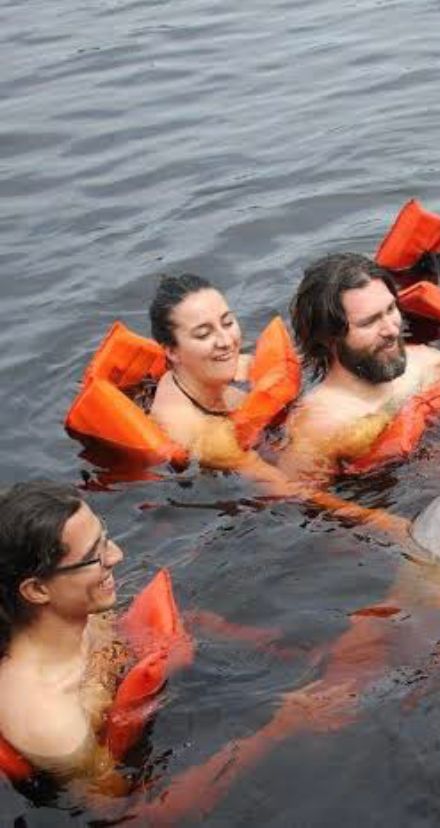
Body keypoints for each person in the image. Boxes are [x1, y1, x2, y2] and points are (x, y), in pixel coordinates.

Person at [282, 252, 440, 479]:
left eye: (390, 309)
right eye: (369, 322)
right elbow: (294, 492)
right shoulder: (320, 424)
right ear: (328, 337)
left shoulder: (426, 361)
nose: (392, 330)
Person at [0, 483, 127, 786]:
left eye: (105, 539)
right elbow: (118, 805)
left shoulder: (86, 615)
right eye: (94, 555)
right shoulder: (54, 725)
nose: (116, 556)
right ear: (37, 590)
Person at [148, 274, 256, 466]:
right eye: (203, 334)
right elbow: (282, 482)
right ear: (172, 351)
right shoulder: (194, 428)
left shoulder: (230, 365)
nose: (226, 342)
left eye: (228, 323)